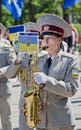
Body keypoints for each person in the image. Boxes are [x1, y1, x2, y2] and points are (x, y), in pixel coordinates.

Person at [33, 14, 80, 130]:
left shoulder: (71, 60)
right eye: (43, 38)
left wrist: (47, 81)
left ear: (59, 39)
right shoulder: (39, 60)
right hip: (40, 120)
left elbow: (71, 89)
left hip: (60, 122)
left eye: (49, 38)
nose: (45, 42)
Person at [5, 22, 41, 130]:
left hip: (41, 103)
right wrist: (18, 60)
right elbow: (9, 74)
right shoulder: (22, 56)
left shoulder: (44, 56)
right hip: (25, 104)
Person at [0, 23, 17, 130]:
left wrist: (2, 71)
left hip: (3, 88)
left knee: (6, 118)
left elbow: (13, 63)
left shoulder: (6, 47)